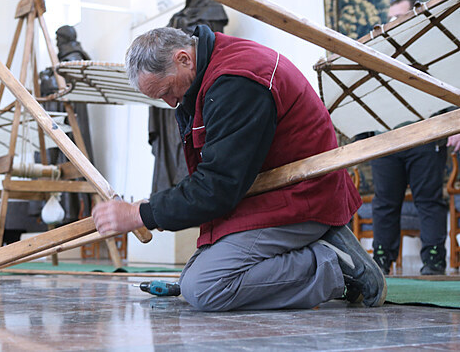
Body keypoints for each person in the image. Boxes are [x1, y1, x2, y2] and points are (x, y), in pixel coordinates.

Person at [92, 25, 387, 311]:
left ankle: (333, 266)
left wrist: (140, 213)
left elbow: (218, 185)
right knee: (193, 276)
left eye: (168, 91)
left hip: (303, 196)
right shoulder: (212, 72)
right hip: (265, 194)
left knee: (205, 287)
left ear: (183, 58)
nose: (171, 103)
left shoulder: (237, 81)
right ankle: (321, 247)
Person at [370, 0, 460, 276]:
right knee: (384, 203)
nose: (394, 23)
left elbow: (450, 82)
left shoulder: (432, 47)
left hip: (426, 137)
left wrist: (456, 121)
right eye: (391, 18)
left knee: (429, 201)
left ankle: (433, 262)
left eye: (401, 16)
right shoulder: (377, 52)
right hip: (386, 140)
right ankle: (379, 263)